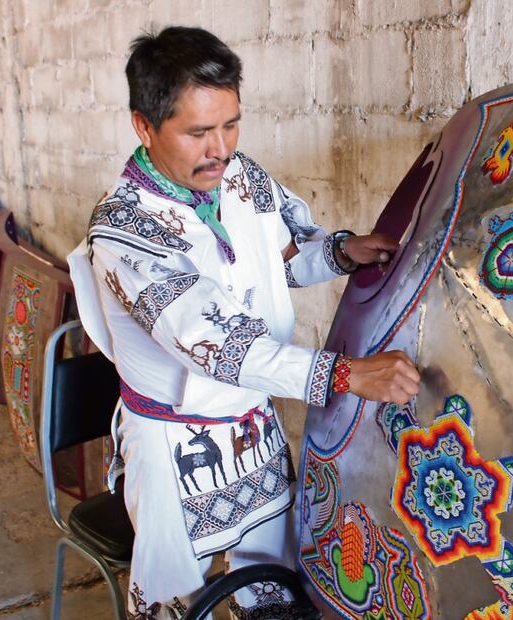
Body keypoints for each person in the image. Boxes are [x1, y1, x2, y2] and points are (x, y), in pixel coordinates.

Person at [66, 26, 420, 617]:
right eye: (199, 132)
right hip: (176, 443)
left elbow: (273, 258)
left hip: (252, 427)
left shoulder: (238, 177)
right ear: (143, 126)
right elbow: (217, 344)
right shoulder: (126, 232)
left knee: (275, 587)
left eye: (231, 124)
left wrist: (339, 251)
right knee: (177, 597)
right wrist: (346, 375)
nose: (220, 147)